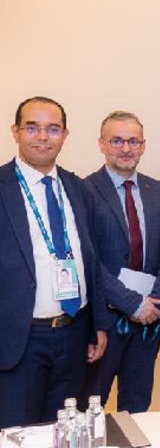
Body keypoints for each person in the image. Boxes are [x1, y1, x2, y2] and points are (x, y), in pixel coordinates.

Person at [0, 97, 108, 428]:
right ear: (15, 132)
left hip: (74, 334)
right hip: (19, 339)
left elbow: (92, 260)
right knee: (16, 438)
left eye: (53, 129)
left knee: (65, 434)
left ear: (65, 135)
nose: (43, 137)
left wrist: (98, 324)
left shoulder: (78, 188)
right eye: (32, 128)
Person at [84, 111, 160, 413]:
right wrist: (131, 303)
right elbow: (89, 259)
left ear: (143, 146)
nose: (126, 148)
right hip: (105, 319)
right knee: (92, 404)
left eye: (133, 141)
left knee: (137, 405)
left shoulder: (159, 192)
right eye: (117, 141)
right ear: (101, 144)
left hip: (151, 317)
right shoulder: (84, 191)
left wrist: (155, 301)